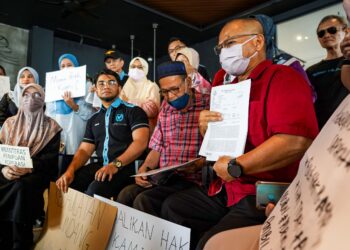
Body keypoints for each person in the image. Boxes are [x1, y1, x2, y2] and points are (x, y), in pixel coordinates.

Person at [160, 17, 319, 250]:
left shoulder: (283, 77)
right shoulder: (223, 85)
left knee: (211, 244)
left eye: (230, 43)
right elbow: (221, 143)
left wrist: (237, 166)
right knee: (173, 208)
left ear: (257, 43)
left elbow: (295, 141)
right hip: (225, 187)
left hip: (261, 192)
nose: (223, 52)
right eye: (220, 47)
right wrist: (206, 129)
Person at [117, 61, 209, 216]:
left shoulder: (208, 103)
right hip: (166, 177)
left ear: (187, 82)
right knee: (125, 195)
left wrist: (200, 163)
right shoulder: (166, 106)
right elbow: (157, 146)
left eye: (175, 89)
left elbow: (219, 149)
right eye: (165, 92)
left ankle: (151, 241)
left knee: (145, 200)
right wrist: (145, 168)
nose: (171, 96)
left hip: (192, 179)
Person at [56, 69, 149, 199]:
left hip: (125, 167)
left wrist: (115, 165)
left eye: (111, 82)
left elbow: (141, 143)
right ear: (96, 89)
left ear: (120, 88)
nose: (106, 86)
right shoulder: (93, 120)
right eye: (101, 83)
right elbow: (84, 150)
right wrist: (70, 171)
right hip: (102, 166)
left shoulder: (134, 111)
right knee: (69, 183)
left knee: (95, 190)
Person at [0, 84, 61, 249]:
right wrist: (4, 169)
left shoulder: (52, 127)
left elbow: (50, 162)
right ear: (20, 98)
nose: (30, 99)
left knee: (21, 187)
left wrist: (29, 167)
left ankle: (20, 240)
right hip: (8, 170)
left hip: (37, 172)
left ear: (43, 100)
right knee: (11, 184)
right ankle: (6, 237)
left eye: (36, 95)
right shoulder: (8, 124)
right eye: (26, 95)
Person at [46, 53, 93, 176]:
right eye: (62, 66)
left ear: (76, 67)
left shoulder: (86, 85)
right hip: (57, 134)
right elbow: (48, 114)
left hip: (76, 134)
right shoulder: (53, 86)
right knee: (55, 171)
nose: (66, 68)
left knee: (73, 170)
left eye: (69, 65)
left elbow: (90, 115)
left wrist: (74, 106)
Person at [306, 15, 348, 129]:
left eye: (332, 30)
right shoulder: (311, 71)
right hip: (323, 130)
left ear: (346, 31)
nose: (327, 35)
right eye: (321, 33)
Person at [120, 57, 160, 132]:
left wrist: (128, 101)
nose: (136, 69)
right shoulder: (125, 87)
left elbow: (152, 111)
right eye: (133, 67)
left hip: (145, 130)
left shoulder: (151, 86)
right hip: (126, 129)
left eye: (140, 67)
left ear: (145, 69)